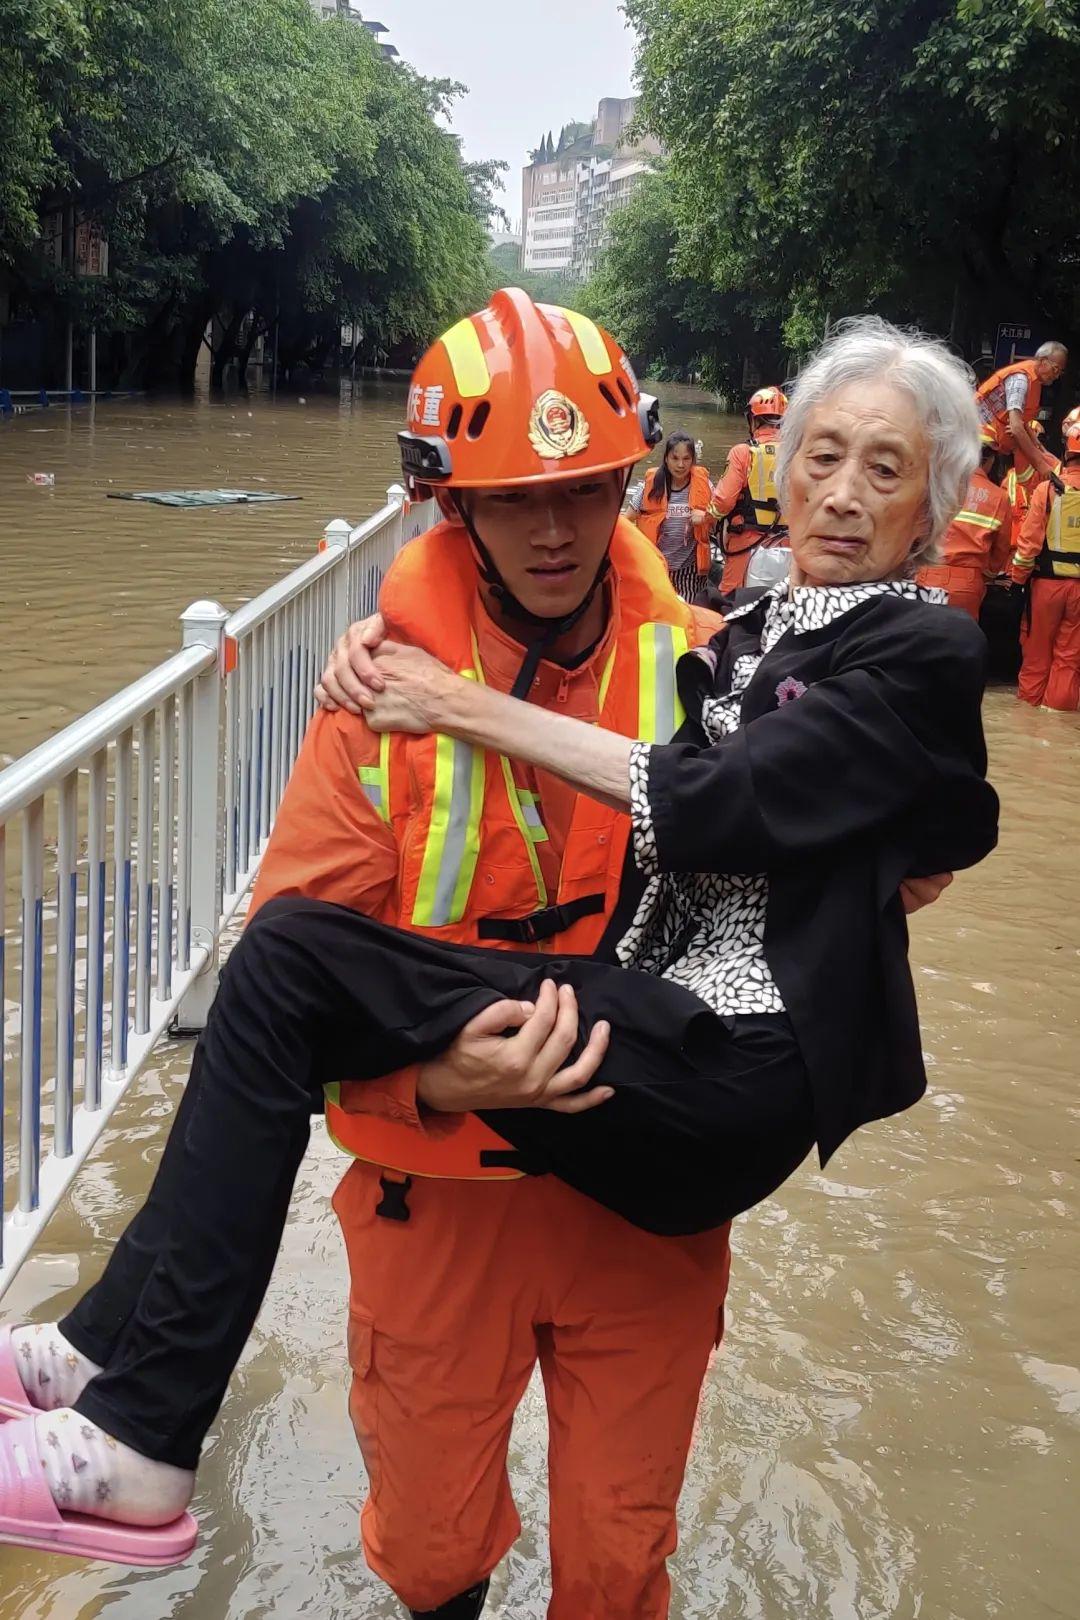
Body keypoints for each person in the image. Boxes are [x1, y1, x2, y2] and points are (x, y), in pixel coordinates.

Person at [0, 310, 987, 1603]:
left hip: (638, 1202)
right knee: (427, 1544)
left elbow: (892, 859)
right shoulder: (375, 700)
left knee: (620, 1550)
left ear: (633, 480)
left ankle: (113, 1381)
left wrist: (922, 808)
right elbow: (292, 980)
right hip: (440, 1198)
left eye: (584, 489)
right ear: (448, 503)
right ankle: (106, 1365)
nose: (556, 530)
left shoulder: (704, 659)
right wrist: (439, 1080)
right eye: (515, 499)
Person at [1009, 417, 1080, 709]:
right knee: (1069, 659)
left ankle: (1028, 723)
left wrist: (1017, 581)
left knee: (1037, 654)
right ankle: (1057, 720)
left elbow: (1028, 546)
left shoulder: (1048, 489)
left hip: (1046, 587)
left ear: (1067, 451)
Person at [917, 424, 1013, 617]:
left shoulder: (934, 487)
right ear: (990, 460)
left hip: (927, 573)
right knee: (959, 643)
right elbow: (1001, 551)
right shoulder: (999, 497)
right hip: (968, 582)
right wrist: (986, 574)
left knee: (923, 643)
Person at [707, 386, 789, 592]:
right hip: (788, 544)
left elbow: (723, 502)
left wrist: (707, 519)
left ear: (753, 420)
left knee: (732, 600)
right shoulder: (800, 454)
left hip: (746, 543)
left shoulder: (743, 453)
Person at [627, 430, 714, 601]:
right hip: (656, 566)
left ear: (693, 460)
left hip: (690, 569)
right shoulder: (650, 486)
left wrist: (705, 516)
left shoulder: (705, 485)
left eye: (686, 459)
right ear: (666, 459)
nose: (681, 465)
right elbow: (626, 520)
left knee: (688, 614)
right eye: (675, 458)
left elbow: (719, 514)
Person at [975, 343, 1067, 488]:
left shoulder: (1034, 382)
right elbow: (1016, 427)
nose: (1056, 376)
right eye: (1055, 369)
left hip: (995, 446)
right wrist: (1040, 463)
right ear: (1043, 361)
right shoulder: (1021, 380)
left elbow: (1023, 424)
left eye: (1060, 372)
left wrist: (1041, 450)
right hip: (979, 445)